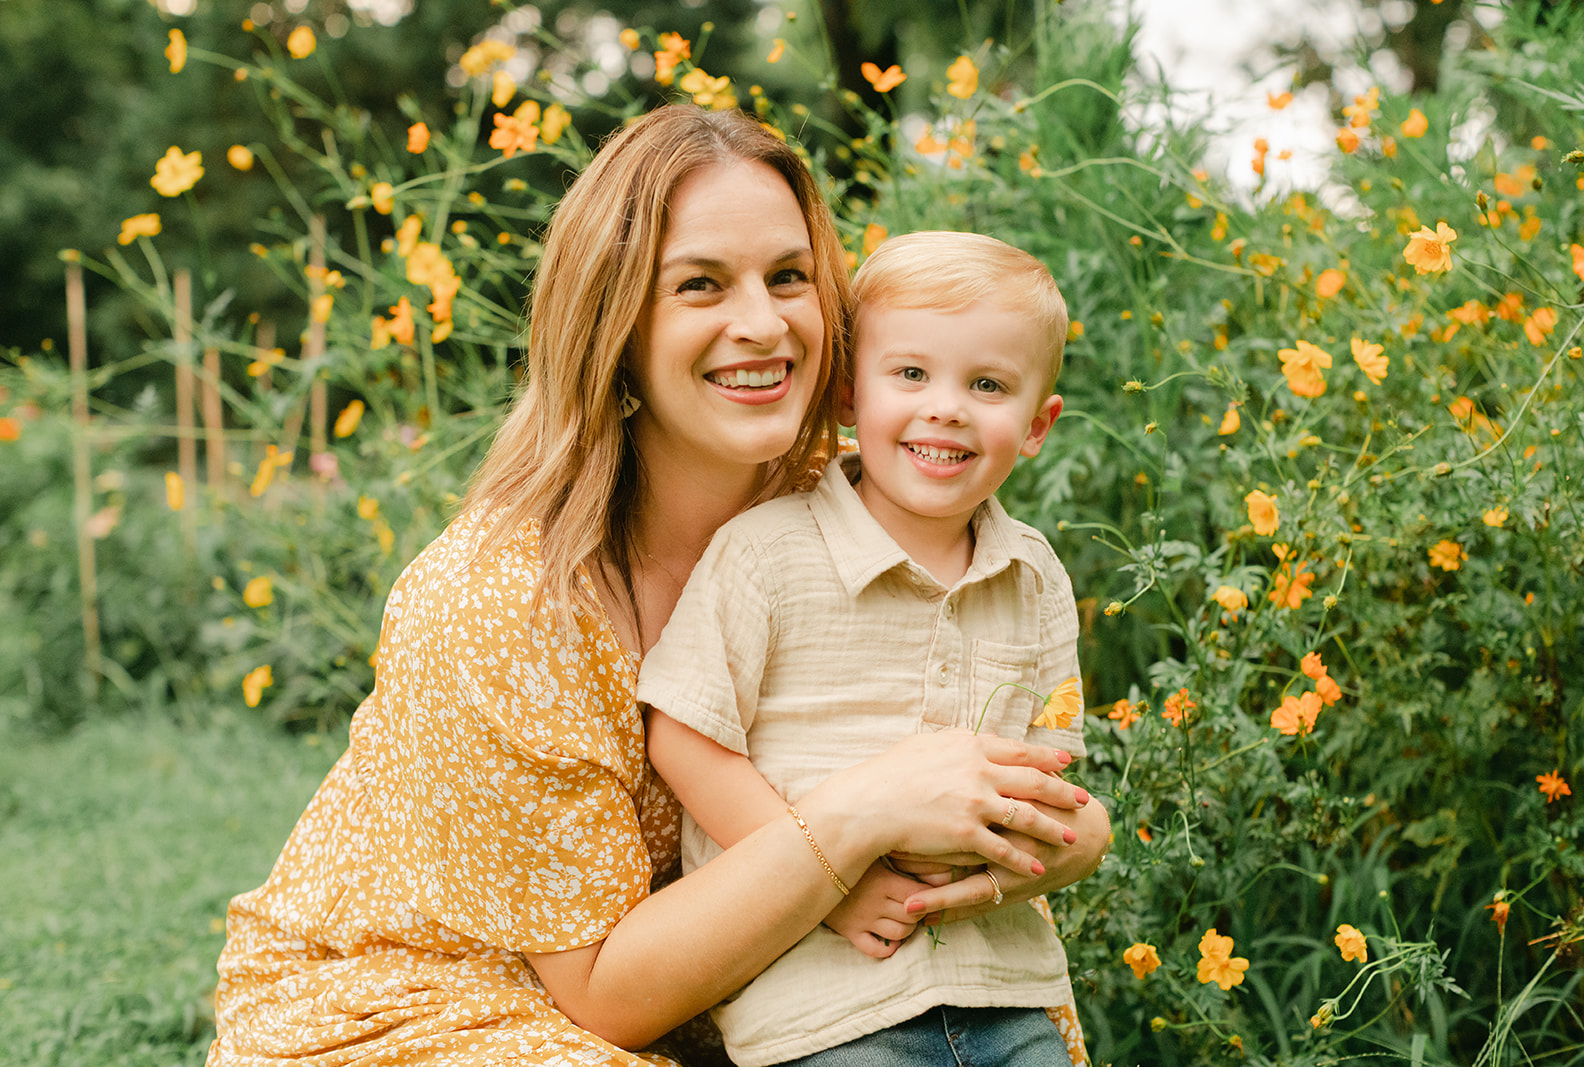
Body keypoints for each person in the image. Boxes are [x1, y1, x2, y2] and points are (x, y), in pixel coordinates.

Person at [207, 107, 1106, 1067]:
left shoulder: (859, 506)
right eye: (700, 285)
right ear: (616, 324)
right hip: (446, 1002)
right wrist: (854, 821)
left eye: (789, 277)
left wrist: (1076, 831)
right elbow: (606, 1001)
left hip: (747, 983)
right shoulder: (498, 599)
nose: (761, 324)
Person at [640, 230, 1101, 1067]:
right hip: (824, 997)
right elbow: (686, 735)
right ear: (850, 393)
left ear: (1037, 425)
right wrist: (829, 885)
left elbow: (1051, 773)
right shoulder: (768, 552)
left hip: (1002, 987)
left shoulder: (1032, 574)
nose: (946, 407)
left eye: (987, 384)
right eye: (912, 374)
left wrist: (1031, 850)